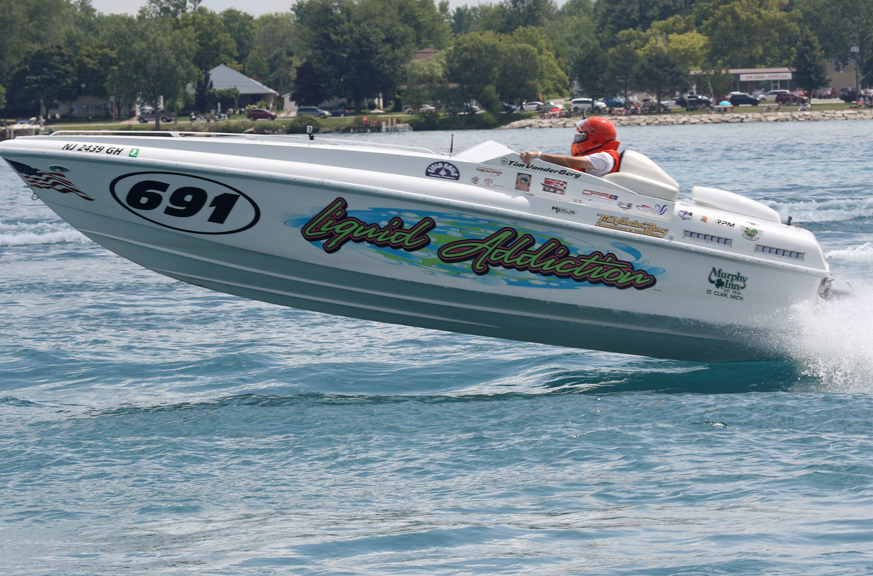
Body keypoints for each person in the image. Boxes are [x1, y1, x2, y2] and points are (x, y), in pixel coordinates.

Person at [519, 117, 621, 178]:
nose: (578, 139)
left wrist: (538, 155)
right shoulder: (602, 155)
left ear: (595, 138)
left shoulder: (604, 158)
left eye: (583, 136)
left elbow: (569, 162)